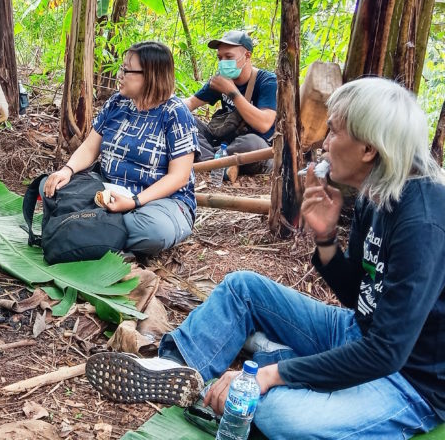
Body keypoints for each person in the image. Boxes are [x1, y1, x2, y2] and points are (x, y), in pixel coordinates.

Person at [86, 77, 445, 439]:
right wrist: (325, 238)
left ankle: (276, 361)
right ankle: (172, 367)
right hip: (358, 333)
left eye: (334, 131)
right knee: (243, 288)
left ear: (368, 148)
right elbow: (358, 297)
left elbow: (386, 353)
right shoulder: (376, 194)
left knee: (276, 415)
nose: (324, 144)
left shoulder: (425, 222)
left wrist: (273, 375)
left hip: (409, 381)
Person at [42, 41, 199, 256]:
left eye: (126, 70)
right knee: (49, 186)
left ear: (151, 75)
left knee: (154, 232)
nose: (120, 74)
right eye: (121, 68)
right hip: (108, 190)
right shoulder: (117, 103)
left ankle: (87, 229)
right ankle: (101, 232)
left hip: (159, 202)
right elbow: (90, 148)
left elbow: (179, 177)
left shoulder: (175, 113)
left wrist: (133, 202)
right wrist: (67, 170)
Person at [184, 30, 277, 177]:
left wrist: (232, 92)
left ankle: (210, 161)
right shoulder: (220, 80)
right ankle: (218, 165)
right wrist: (165, 102)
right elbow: (190, 103)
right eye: (220, 58)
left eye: (228, 57)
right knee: (185, 121)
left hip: (254, 148)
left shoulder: (267, 81)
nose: (223, 63)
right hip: (224, 144)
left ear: (247, 56)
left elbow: (264, 124)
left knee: (251, 143)